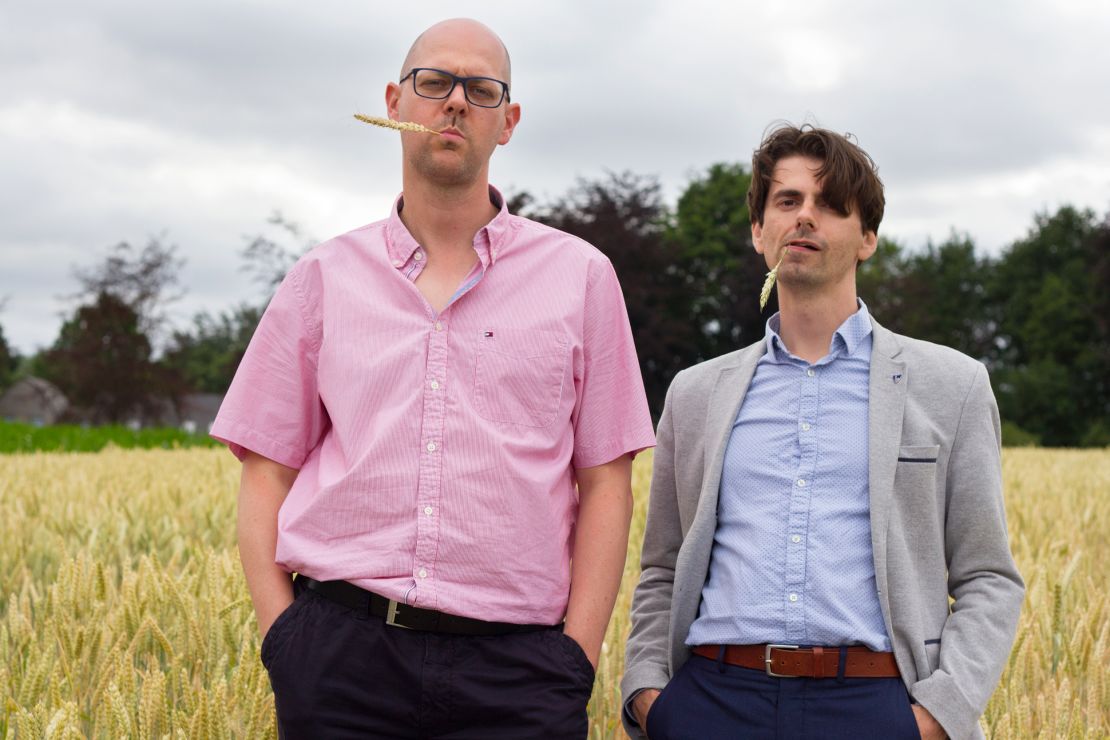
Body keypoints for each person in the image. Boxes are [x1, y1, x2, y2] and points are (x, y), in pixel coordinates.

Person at [212, 18, 655, 739]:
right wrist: (283, 638)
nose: (454, 103)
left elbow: (607, 480)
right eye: (434, 83)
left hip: (520, 671)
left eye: (481, 90)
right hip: (339, 661)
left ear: (507, 123)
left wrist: (577, 653)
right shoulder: (321, 279)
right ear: (395, 101)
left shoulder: (581, 277)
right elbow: (265, 470)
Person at [620, 124, 1024, 740]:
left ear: (867, 238)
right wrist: (650, 695)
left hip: (876, 705)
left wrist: (938, 715)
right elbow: (663, 567)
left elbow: (987, 577)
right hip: (712, 702)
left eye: (831, 205)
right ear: (760, 232)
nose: (805, 217)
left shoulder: (953, 385)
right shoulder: (695, 393)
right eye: (787, 201)